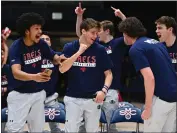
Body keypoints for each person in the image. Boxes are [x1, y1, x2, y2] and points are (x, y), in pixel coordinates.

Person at [75, 3, 128, 132]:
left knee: (110, 124)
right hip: (94, 89)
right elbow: (79, 34)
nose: (96, 33)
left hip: (111, 89)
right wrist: (79, 16)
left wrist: (122, 16)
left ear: (107, 31)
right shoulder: (95, 44)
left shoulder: (118, 43)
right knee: (86, 124)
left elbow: (130, 30)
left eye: (99, 31)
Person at [118, 17, 177, 132]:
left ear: (126, 33)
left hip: (161, 98)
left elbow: (149, 78)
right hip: (174, 97)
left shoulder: (136, 49)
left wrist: (148, 107)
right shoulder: (156, 43)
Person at [7, 12, 62, 132]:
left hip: (38, 94)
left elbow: (54, 58)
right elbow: (16, 72)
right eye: (36, 29)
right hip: (19, 95)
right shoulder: (16, 47)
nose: (40, 31)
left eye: (40, 28)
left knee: (38, 129)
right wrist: (34, 77)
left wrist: (62, 59)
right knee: (14, 129)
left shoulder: (41, 44)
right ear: (27, 31)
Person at [59, 18, 113, 132]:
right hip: (73, 98)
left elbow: (109, 74)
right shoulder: (69, 47)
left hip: (93, 99)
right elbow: (62, 69)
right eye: (92, 33)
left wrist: (104, 90)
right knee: (70, 130)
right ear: (83, 31)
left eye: (97, 33)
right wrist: (79, 52)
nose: (95, 36)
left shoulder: (100, 50)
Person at [40, 33, 63, 133]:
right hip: (35, 97)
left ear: (50, 42)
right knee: (36, 128)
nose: (45, 40)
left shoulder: (57, 56)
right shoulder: (32, 55)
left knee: (55, 129)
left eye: (47, 39)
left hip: (51, 97)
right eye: (42, 39)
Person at [1, 27, 12, 132]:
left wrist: (3, 41)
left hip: (6, 101)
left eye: (1, 54)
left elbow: (13, 85)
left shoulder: (6, 68)